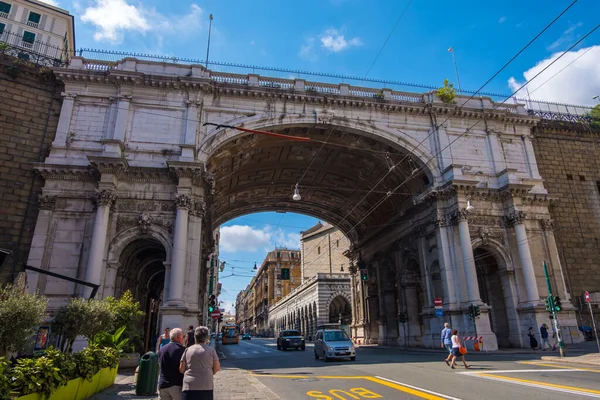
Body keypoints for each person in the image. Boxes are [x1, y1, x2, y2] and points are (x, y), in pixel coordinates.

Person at [179, 326, 220, 400]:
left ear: (195, 337)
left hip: (189, 386)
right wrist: (208, 372)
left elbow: (181, 369)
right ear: (206, 338)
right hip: (206, 385)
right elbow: (217, 368)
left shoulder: (187, 350)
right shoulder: (211, 350)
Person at [158, 328, 186, 400]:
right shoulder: (182, 350)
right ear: (178, 337)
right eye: (183, 336)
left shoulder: (162, 349)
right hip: (176, 384)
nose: (184, 339)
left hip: (163, 384)